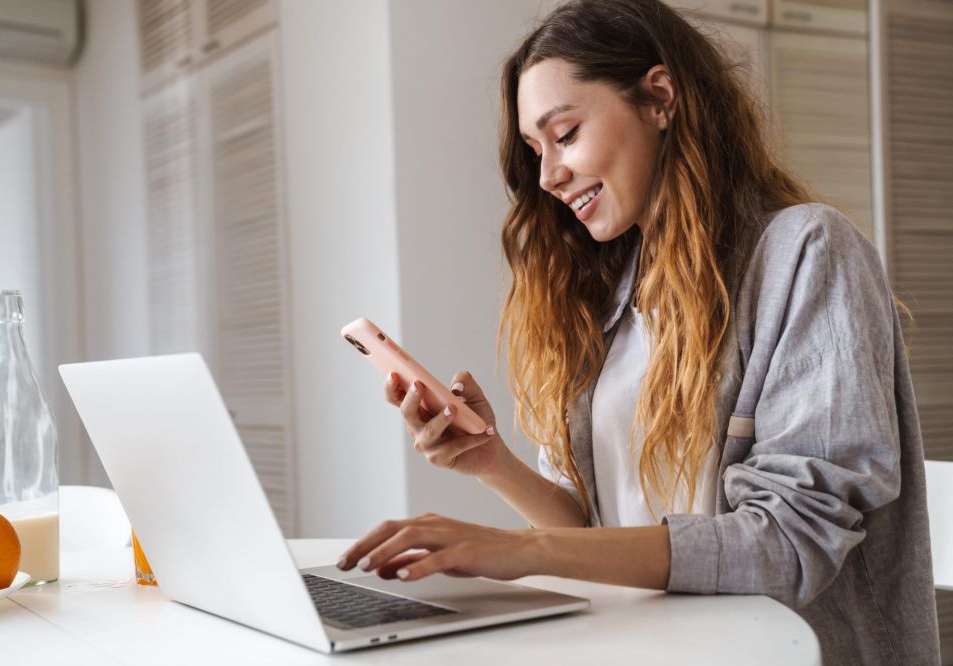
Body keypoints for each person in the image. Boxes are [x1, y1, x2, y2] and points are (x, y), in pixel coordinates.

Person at [335, 0, 941, 662]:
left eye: (564, 134)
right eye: (535, 151)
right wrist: (494, 465)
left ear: (659, 98)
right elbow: (603, 535)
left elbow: (791, 542)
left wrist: (522, 551)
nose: (547, 176)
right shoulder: (602, 298)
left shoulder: (806, 252)